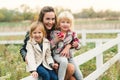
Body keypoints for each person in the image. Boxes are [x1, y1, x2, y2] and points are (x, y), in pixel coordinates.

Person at [20, 6, 75, 80]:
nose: (51, 22)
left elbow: (69, 38)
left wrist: (68, 46)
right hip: (42, 63)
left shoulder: (56, 29)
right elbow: (23, 49)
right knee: (70, 69)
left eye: (53, 19)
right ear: (42, 19)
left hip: (54, 61)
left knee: (72, 76)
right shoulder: (36, 31)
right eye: (47, 19)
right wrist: (25, 56)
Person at [50, 11, 83, 80]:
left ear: (71, 24)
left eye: (68, 22)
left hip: (70, 57)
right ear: (59, 23)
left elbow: (79, 45)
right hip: (58, 55)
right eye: (63, 22)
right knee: (64, 61)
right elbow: (49, 46)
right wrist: (56, 40)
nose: (65, 24)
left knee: (79, 76)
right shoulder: (54, 33)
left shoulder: (72, 34)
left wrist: (76, 45)